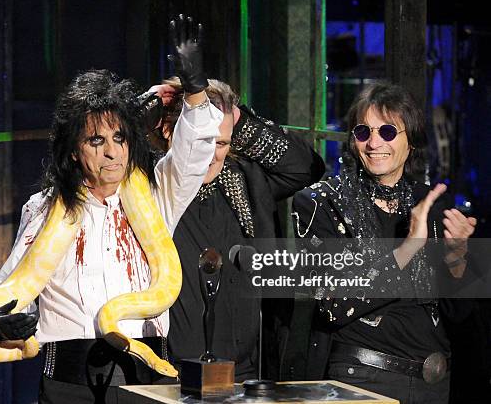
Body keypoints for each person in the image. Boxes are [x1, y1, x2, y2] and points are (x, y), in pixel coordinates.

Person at [0, 16, 223, 403]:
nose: (113, 152)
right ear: (75, 151)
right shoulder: (45, 209)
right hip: (68, 383)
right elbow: (13, 286)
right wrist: (0, 323)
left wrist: (195, 90)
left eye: (120, 138)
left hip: (147, 379)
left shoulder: (157, 193)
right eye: (96, 140)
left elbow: (194, 154)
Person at [291, 81, 477, 404]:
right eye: (364, 132)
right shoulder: (322, 203)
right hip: (361, 381)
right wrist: (407, 248)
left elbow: (460, 316)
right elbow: (333, 302)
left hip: (433, 384)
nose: (374, 142)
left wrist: (458, 258)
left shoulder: (430, 204)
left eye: (388, 132)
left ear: (411, 143)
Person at [149, 77, 325, 381]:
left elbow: (305, 166)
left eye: (222, 143)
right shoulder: (153, 185)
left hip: (243, 370)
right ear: (171, 133)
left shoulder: (245, 181)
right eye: (203, 141)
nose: (213, 155)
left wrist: (234, 113)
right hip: (168, 368)